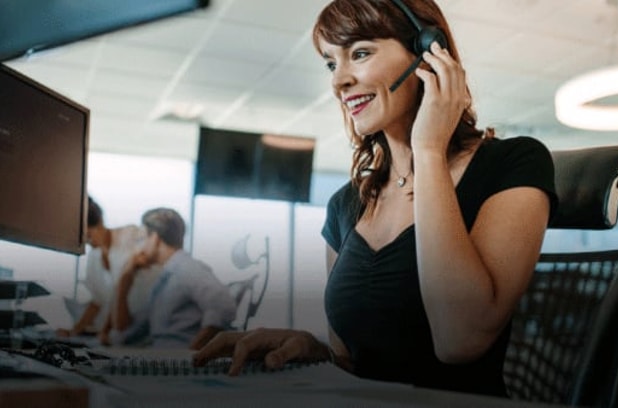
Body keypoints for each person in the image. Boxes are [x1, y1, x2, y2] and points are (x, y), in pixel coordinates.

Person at [194, 0, 557, 398]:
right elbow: (352, 361)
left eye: (360, 53)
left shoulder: (513, 162)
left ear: (428, 53)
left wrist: (429, 151)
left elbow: (460, 341)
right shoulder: (345, 204)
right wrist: (310, 349)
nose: (338, 82)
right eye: (332, 64)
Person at [108, 207, 237, 349]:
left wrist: (191, 356)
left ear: (155, 238)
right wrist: (124, 282)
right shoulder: (165, 279)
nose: (139, 247)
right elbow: (127, 331)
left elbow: (223, 307)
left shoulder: (187, 268)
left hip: (177, 362)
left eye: (142, 239)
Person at [56, 196, 160, 340]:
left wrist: (105, 331)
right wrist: (74, 332)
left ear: (100, 223)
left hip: (143, 325)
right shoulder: (93, 258)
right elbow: (97, 301)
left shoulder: (132, 235)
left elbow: (151, 259)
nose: (88, 242)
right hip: (115, 332)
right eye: (84, 238)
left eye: (89, 235)